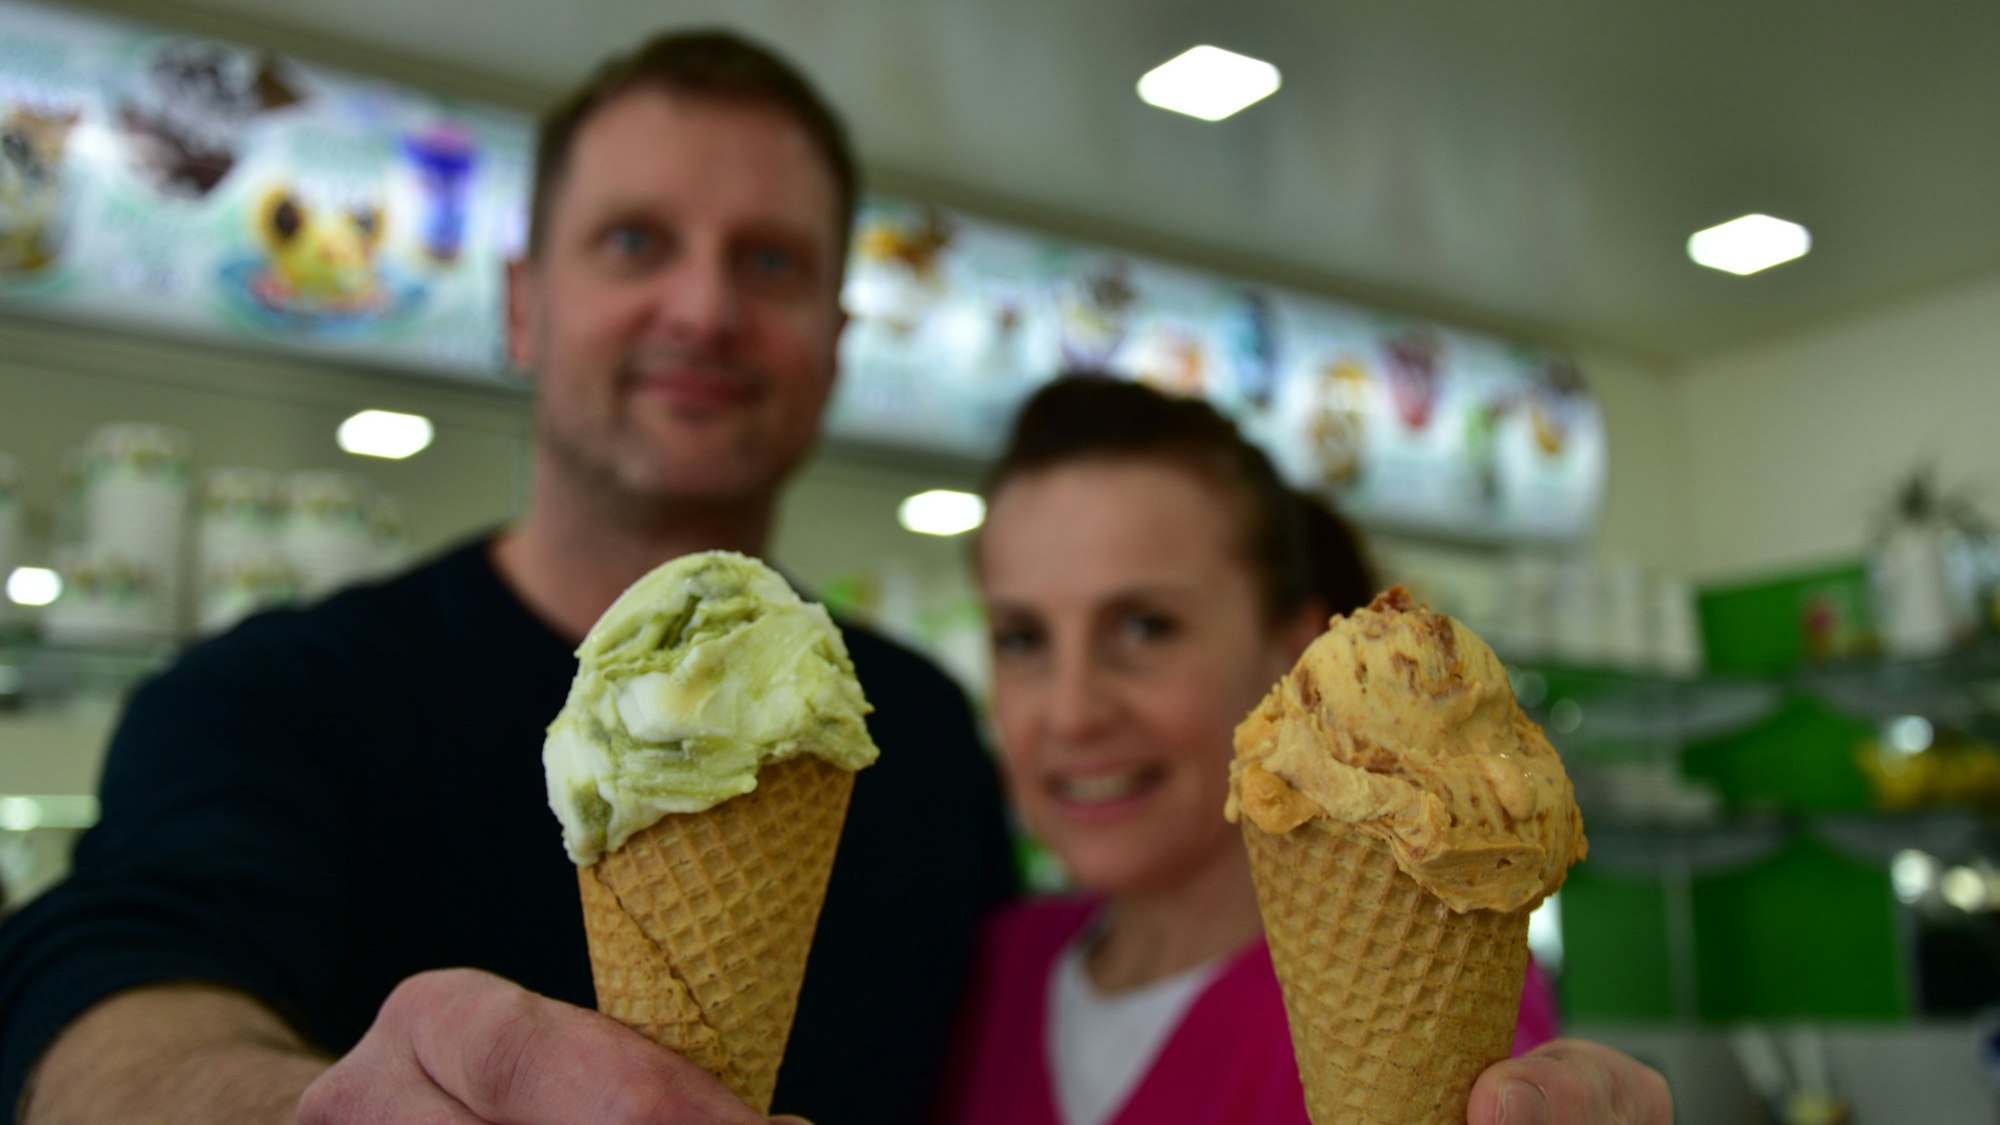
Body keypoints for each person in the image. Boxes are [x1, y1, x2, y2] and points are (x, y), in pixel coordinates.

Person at [0, 31, 1015, 1125]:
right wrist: (297, 1111)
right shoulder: (273, 696)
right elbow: (110, 990)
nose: (704, 310)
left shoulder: (920, 732)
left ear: (834, 347)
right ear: (523, 305)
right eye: (635, 242)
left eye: (771, 262)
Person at [938, 376, 1665, 1124]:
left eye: (1145, 626)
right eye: (1021, 638)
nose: (1071, 711)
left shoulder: (1443, 1021)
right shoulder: (978, 967)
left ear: (1298, 658)